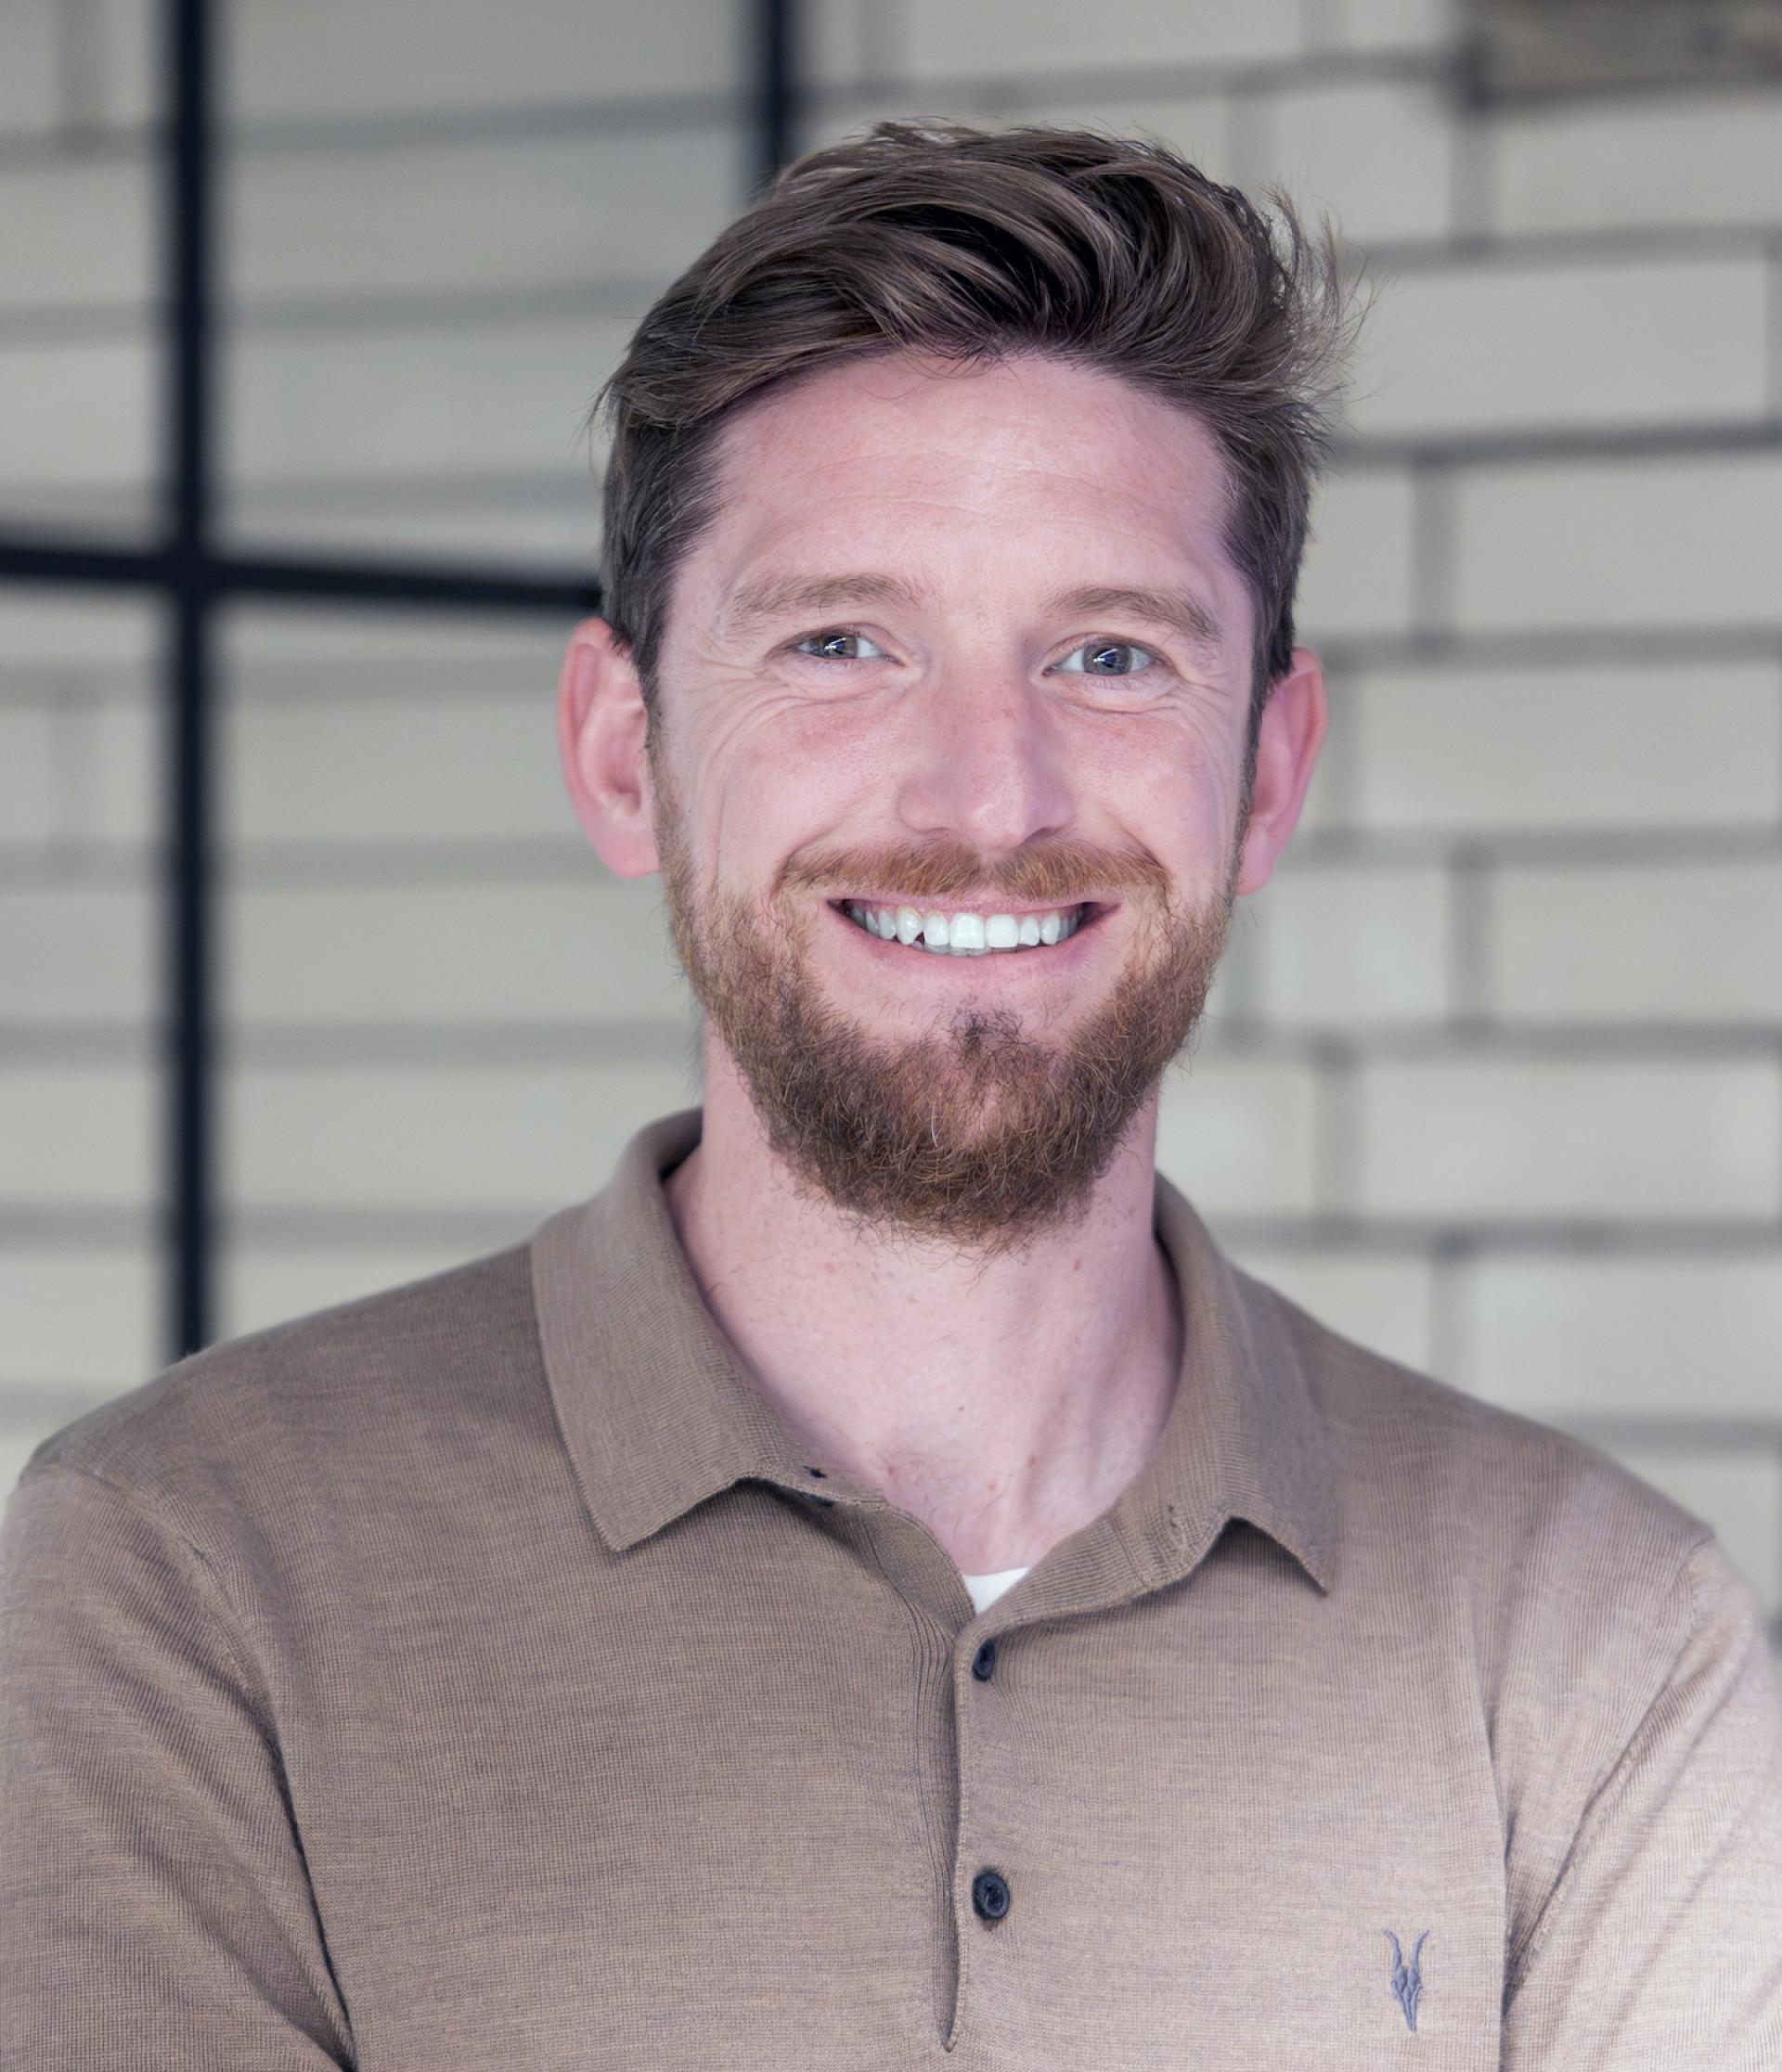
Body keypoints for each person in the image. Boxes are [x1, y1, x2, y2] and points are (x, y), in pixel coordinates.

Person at [3, 122, 1778, 2071]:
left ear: (1267, 776)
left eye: (1111, 655)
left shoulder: (1601, 1642)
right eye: (843, 643)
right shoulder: (187, 1578)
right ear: (624, 754)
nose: (983, 799)